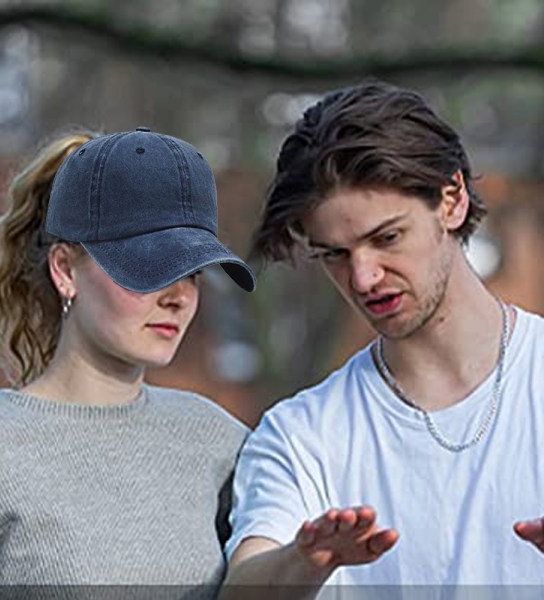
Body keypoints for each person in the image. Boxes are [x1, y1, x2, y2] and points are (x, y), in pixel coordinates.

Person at [221, 81, 544, 596]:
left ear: (452, 200)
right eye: (335, 254)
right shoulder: (301, 435)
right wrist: (304, 562)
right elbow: (243, 586)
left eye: (386, 238)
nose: (364, 277)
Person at [0, 127, 256, 595]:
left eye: (193, 271)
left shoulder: (222, 444)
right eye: (151, 265)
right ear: (66, 270)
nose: (178, 297)